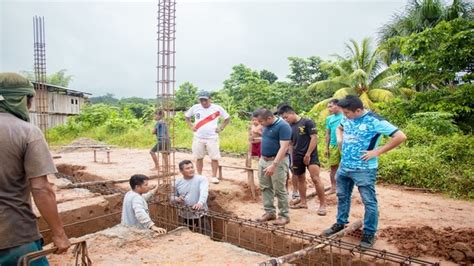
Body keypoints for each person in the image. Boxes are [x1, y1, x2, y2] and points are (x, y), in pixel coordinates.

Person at [0, 72, 70, 265]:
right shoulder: (27, 132)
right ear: (22, 99)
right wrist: (59, 234)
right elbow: (41, 188)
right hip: (13, 236)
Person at [322, 95, 406, 249]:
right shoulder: (346, 118)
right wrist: (340, 139)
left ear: (358, 110)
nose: (345, 116)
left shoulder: (374, 121)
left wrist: (377, 152)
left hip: (364, 169)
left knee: (369, 201)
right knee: (342, 196)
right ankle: (340, 223)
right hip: (345, 166)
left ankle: (369, 233)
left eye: (347, 113)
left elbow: (400, 136)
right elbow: (339, 127)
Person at [277, 104, 327, 215]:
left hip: (311, 155)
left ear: (291, 113)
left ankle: (322, 205)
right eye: (283, 118)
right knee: (300, 178)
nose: (285, 120)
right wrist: (291, 158)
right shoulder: (289, 126)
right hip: (296, 155)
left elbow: (314, 138)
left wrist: (308, 154)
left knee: (315, 178)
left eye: (286, 117)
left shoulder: (307, 122)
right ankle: (303, 202)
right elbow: (290, 143)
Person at [253, 108, 292, 226]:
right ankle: (269, 212)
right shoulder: (267, 125)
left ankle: (284, 215)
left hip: (277, 161)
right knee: (265, 187)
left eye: (261, 122)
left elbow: (284, 147)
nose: (260, 125)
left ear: (269, 118)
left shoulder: (283, 126)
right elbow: (270, 139)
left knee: (279, 189)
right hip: (264, 159)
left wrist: (274, 165)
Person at [185, 91, 231, 184]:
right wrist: (191, 126)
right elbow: (187, 116)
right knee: (198, 157)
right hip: (198, 137)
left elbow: (227, 118)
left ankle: (214, 176)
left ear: (210, 99)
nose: (203, 102)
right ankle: (199, 176)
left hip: (212, 137)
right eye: (201, 100)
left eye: (205, 100)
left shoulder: (217, 108)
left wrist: (221, 127)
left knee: (214, 157)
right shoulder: (195, 107)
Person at [172, 160, 210, 235]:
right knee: (187, 235)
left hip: (200, 213)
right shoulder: (177, 182)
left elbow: (204, 191)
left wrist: (200, 203)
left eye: (192, 167)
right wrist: (177, 199)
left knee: (206, 234)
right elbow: (171, 196)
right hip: (185, 214)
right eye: (187, 168)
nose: (191, 170)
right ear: (181, 171)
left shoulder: (201, 179)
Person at [325, 99, 343, 194]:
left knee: (346, 167)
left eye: (331, 106)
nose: (329, 109)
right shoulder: (329, 119)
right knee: (333, 168)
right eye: (328, 107)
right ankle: (333, 187)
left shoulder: (346, 116)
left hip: (345, 145)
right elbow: (327, 133)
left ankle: (346, 189)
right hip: (333, 145)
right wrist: (326, 148)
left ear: (338, 105)